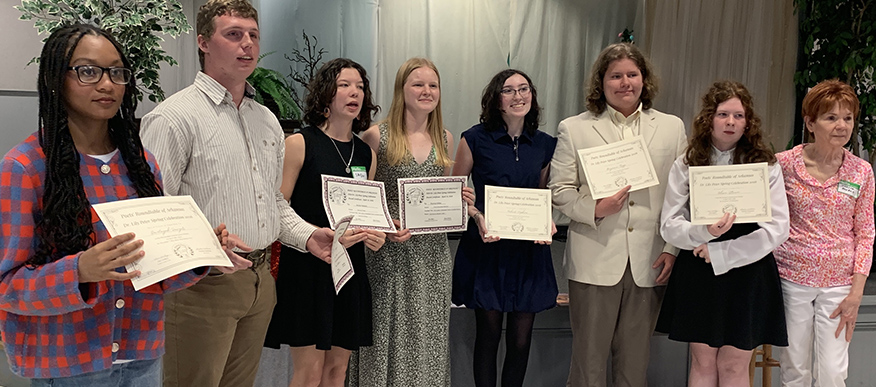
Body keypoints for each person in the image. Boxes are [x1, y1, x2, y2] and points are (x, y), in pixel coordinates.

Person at [139, 1, 336, 386]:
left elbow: (273, 202)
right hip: (201, 285)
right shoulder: (174, 118)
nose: (247, 45)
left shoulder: (265, 120)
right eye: (233, 34)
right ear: (203, 43)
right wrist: (205, 252)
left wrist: (308, 235)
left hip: (259, 280)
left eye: (253, 36)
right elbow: (155, 215)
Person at [0, 24, 208, 385]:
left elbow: (152, 271)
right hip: (68, 365)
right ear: (56, 78)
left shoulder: (142, 164)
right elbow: (7, 287)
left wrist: (202, 253)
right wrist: (79, 270)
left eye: (117, 72)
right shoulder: (24, 168)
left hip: (142, 355)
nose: (107, 84)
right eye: (87, 71)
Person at [548, 42, 687, 386]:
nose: (625, 82)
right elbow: (559, 190)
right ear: (602, 81)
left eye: (632, 74)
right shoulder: (575, 128)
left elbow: (681, 194)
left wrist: (671, 249)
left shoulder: (671, 127)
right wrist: (596, 208)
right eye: (616, 76)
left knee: (634, 364)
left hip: (650, 260)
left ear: (644, 80)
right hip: (595, 257)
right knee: (588, 364)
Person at [347, 57, 474, 386]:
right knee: (386, 333)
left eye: (433, 85)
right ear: (401, 89)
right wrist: (388, 223)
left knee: (427, 335)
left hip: (432, 256)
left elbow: (440, 195)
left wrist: (460, 200)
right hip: (389, 253)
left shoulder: (445, 138)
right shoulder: (376, 136)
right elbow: (363, 201)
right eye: (418, 84)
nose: (427, 91)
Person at [656, 80, 790, 386]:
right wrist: (703, 232)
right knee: (703, 363)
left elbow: (779, 227)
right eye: (723, 114)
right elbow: (669, 224)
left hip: (749, 270)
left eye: (738, 116)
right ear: (708, 119)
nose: (731, 122)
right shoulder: (687, 163)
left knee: (734, 365)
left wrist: (723, 252)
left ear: (748, 122)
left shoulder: (765, 164)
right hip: (699, 269)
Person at [263, 57, 385, 387]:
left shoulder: (365, 154)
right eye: (344, 85)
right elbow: (278, 207)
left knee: (337, 372)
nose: (354, 92)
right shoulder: (300, 143)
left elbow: (365, 214)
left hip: (349, 268)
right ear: (326, 93)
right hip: (307, 267)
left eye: (360, 86)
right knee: (310, 372)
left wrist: (376, 235)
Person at [451, 69, 558, 387]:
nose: (518, 96)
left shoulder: (545, 145)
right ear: (495, 99)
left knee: (522, 340)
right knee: (488, 336)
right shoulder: (473, 139)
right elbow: (455, 194)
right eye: (509, 90)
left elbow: (542, 197)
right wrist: (475, 213)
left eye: (524, 89)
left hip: (528, 253)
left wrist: (546, 221)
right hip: (488, 249)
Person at [774, 79, 874, 387]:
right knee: (794, 367)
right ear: (810, 122)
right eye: (831, 118)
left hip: (840, 284)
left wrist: (857, 292)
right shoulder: (783, 164)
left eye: (847, 118)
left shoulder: (861, 171)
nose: (841, 126)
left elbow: (866, 233)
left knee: (832, 370)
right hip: (791, 278)